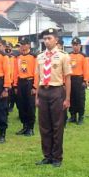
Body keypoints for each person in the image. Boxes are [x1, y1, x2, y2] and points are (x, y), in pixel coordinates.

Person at [34, 28, 71, 167]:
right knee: (44, 126)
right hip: (43, 91)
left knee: (57, 125)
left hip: (57, 91)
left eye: (49, 38)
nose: (46, 41)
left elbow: (67, 79)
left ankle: (57, 157)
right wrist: (37, 96)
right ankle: (47, 156)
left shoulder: (63, 56)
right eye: (45, 38)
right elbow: (38, 78)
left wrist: (67, 98)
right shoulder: (40, 57)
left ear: (56, 40)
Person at [13, 36, 37, 135]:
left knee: (30, 105)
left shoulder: (33, 57)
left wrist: (35, 86)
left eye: (24, 44)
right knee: (21, 105)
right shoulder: (18, 57)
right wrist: (15, 85)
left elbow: (37, 72)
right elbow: (15, 72)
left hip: (29, 82)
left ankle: (30, 127)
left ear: (28, 45)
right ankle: (24, 126)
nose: (22, 46)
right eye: (21, 44)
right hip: (20, 82)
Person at [68, 37, 89, 123]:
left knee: (80, 99)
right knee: (71, 98)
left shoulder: (83, 56)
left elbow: (86, 69)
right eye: (73, 45)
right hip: (70, 79)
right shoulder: (68, 55)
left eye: (77, 45)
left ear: (80, 46)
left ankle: (81, 116)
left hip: (79, 79)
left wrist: (85, 81)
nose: (75, 47)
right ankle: (73, 115)